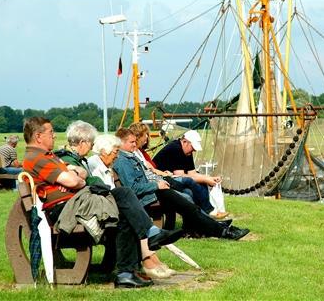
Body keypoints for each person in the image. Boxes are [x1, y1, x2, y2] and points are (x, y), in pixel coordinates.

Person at [22, 117, 151, 289]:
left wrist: (74, 175)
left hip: (76, 203)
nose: (54, 136)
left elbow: (80, 173)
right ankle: (141, 249)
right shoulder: (38, 158)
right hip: (66, 210)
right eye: (51, 132)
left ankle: (127, 272)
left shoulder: (48, 156)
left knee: (124, 201)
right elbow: (75, 181)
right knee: (123, 198)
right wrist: (74, 178)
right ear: (38, 136)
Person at [54, 120, 181, 281]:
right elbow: (87, 183)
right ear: (83, 142)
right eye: (91, 143)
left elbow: (89, 181)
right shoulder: (70, 160)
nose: (93, 146)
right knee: (125, 195)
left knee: (127, 207)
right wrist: (90, 181)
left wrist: (89, 180)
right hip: (79, 209)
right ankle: (144, 247)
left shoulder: (79, 160)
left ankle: (129, 272)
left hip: (86, 204)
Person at [113, 127, 249, 240]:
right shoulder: (123, 161)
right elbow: (132, 188)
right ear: (121, 143)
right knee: (189, 206)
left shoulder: (129, 157)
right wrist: (157, 185)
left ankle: (218, 228)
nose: (135, 145)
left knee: (189, 206)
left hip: (157, 189)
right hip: (152, 194)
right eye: (131, 142)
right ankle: (223, 231)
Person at [153, 130, 228, 219]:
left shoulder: (187, 150)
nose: (194, 150)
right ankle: (208, 212)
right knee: (189, 192)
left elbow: (193, 173)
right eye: (193, 147)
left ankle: (206, 218)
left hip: (173, 180)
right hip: (161, 180)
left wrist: (210, 178)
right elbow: (182, 176)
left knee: (200, 184)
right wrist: (205, 179)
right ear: (184, 142)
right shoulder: (176, 148)